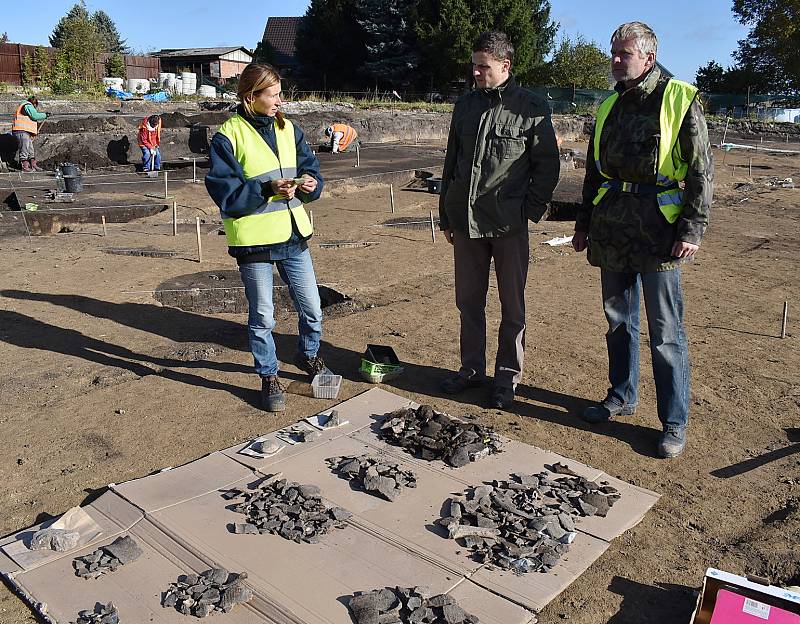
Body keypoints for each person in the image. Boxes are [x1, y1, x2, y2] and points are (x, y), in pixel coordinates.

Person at [572, 21, 713, 458]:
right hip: (613, 228)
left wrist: (692, 228)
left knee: (665, 334)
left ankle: (674, 422)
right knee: (618, 322)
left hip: (660, 233)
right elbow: (595, 170)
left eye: (624, 54)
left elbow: (700, 172)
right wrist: (583, 223)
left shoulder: (679, 98)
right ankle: (621, 395)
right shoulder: (609, 105)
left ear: (648, 58)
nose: (615, 61)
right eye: (613, 53)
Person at [438, 31, 560, 409]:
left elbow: (547, 166)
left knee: (513, 306)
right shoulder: (465, 106)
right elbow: (452, 162)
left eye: (483, 66)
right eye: (473, 65)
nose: (475, 72)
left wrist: (530, 210)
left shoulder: (531, 107)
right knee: (468, 302)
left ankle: (507, 377)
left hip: (508, 225)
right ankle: (471, 369)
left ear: (505, 67)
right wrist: (447, 212)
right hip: (467, 223)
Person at [205, 63, 328, 412]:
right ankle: (268, 375)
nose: (279, 100)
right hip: (255, 242)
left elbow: (310, 170)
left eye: (278, 93)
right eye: (272, 94)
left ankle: (309, 355)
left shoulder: (290, 128)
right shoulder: (228, 136)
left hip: (292, 235)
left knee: (313, 310)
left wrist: (309, 185)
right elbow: (225, 193)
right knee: (263, 317)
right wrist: (265, 188)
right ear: (251, 96)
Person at [12, 96, 48, 172]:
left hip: (24, 132)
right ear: (34, 103)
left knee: (30, 149)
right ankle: (24, 166)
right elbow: (35, 116)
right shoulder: (27, 105)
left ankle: (33, 165)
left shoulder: (25, 107)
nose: (35, 108)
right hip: (21, 131)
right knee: (24, 148)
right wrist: (45, 115)